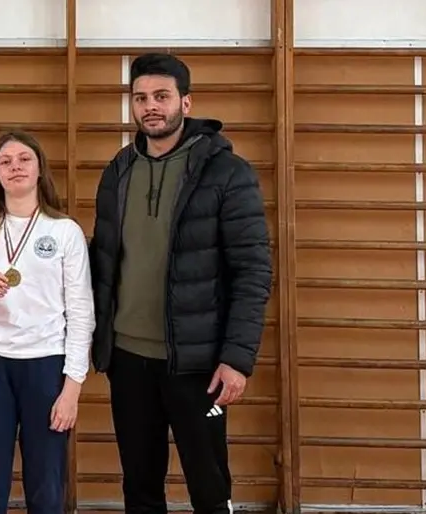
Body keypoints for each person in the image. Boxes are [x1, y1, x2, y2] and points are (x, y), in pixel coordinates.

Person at [88, 52, 272, 514]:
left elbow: (253, 272)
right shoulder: (118, 171)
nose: (151, 106)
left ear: (186, 103)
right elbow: (103, 261)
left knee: (209, 487)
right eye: (141, 97)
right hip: (128, 361)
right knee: (140, 487)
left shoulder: (228, 173)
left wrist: (236, 358)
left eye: (162, 96)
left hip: (198, 364)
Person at [0, 131, 94, 513]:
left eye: (23, 159)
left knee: (47, 485)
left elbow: (82, 314)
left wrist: (72, 389)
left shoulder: (64, 231)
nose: (15, 166)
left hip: (46, 363)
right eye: (5, 161)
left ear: (39, 169)